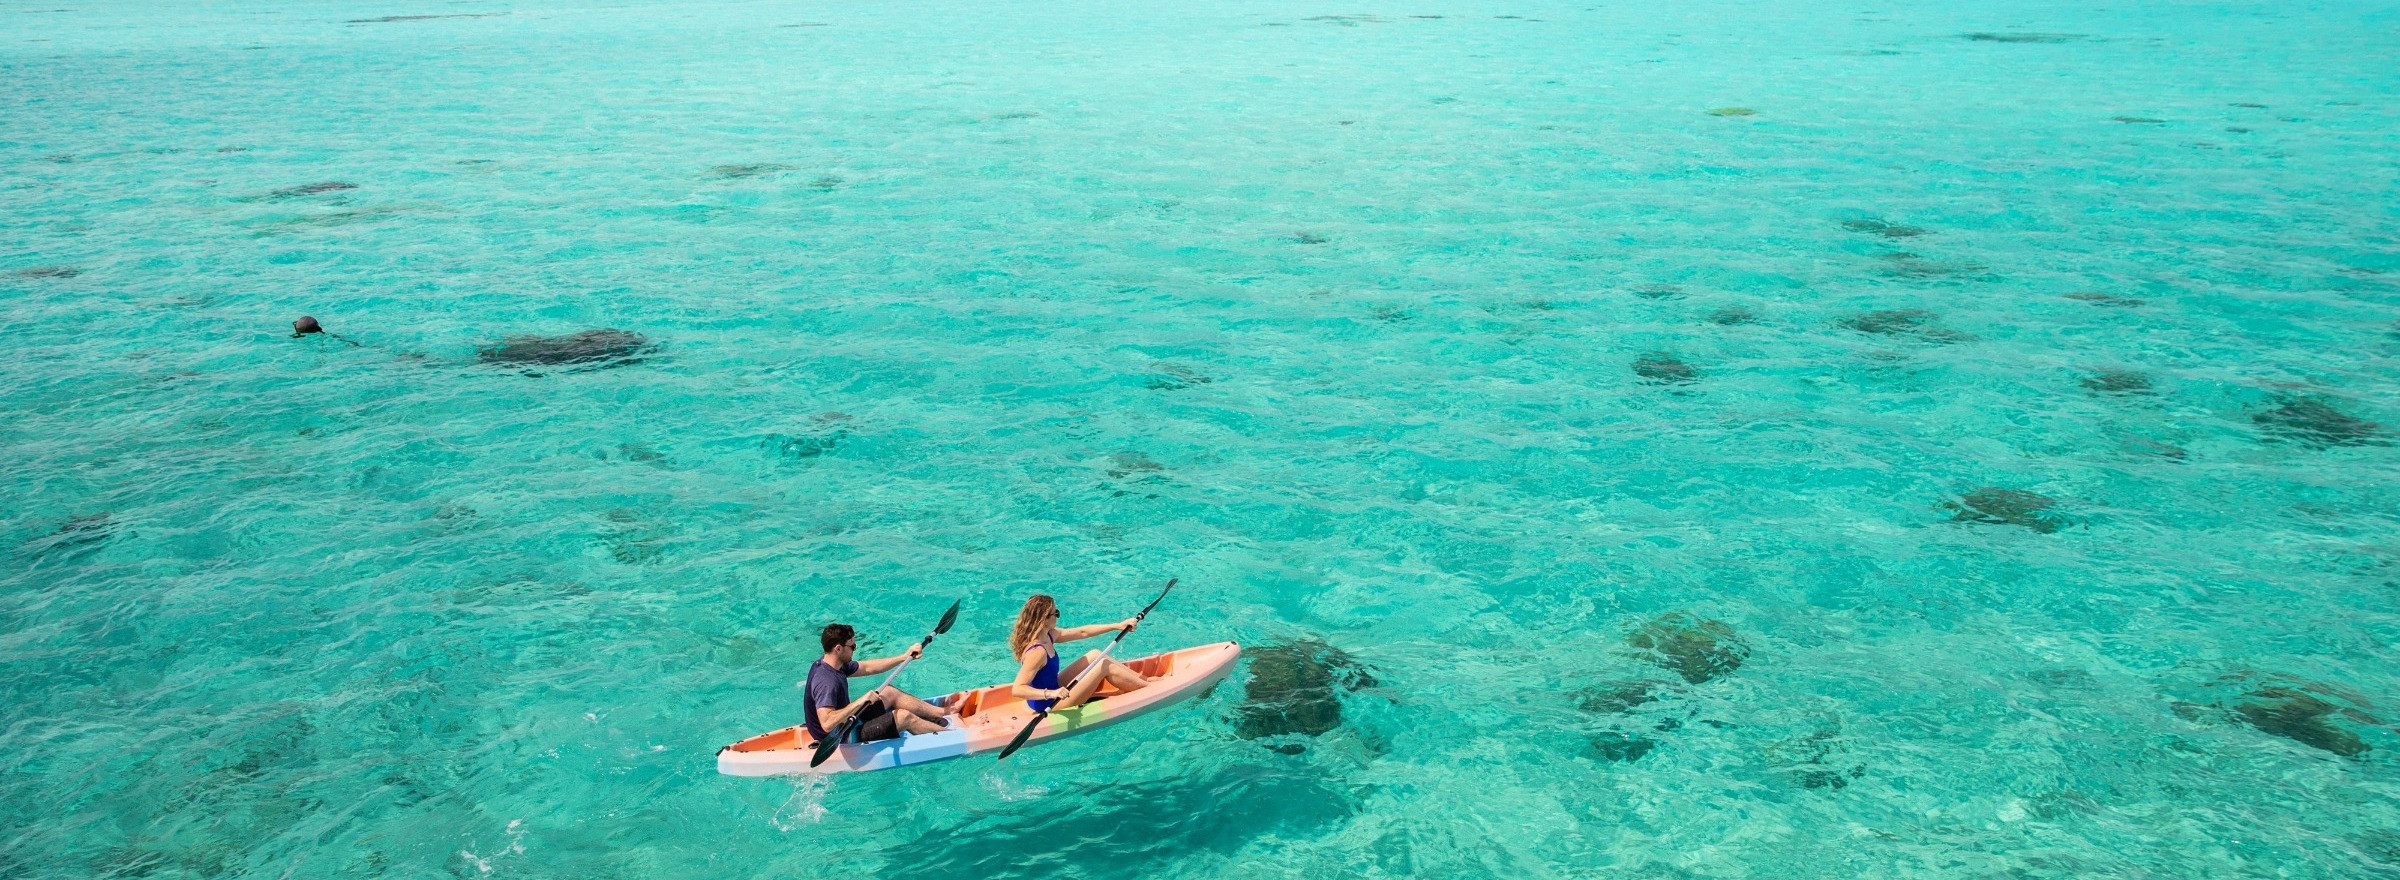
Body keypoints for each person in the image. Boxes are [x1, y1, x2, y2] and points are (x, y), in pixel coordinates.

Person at [804, 623, 950, 744]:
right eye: (852, 647)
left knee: (889, 692)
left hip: (849, 721)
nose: (854, 650)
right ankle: (951, 735)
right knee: (904, 717)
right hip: (841, 737)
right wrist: (861, 701)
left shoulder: (833, 664)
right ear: (838, 648)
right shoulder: (826, 682)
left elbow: (868, 667)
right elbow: (827, 724)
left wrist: (903, 657)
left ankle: (944, 712)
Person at [1008, 594, 1155, 712]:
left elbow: (1082, 632)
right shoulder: (1037, 651)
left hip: (1054, 688)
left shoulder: (1048, 635)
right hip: (1048, 703)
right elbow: (1018, 689)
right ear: (1044, 620)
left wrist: (1117, 626)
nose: (1058, 616)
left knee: (1095, 654)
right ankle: (1150, 689)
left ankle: (1146, 680)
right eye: (1056, 613)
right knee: (1104, 665)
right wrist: (1051, 694)